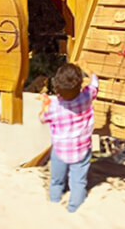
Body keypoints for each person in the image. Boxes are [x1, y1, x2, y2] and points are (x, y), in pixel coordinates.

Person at [39, 62, 99, 212]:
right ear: (79, 86)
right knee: (78, 182)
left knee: (56, 180)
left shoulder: (54, 107)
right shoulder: (86, 96)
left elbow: (42, 118)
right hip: (82, 148)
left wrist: (44, 105)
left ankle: (54, 202)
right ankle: (73, 208)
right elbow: (95, 85)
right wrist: (90, 71)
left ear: (57, 88)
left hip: (60, 150)